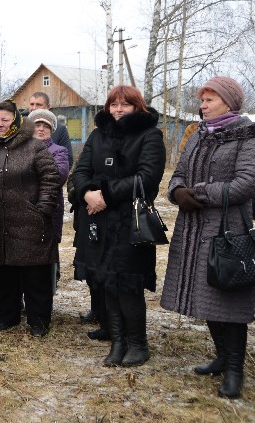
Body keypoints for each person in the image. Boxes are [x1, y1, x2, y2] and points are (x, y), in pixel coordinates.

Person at [160, 76, 255, 399]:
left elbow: (245, 183)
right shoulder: (198, 135)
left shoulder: (247, 136)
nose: (202, 106)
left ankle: (235, 370)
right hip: (194, 228)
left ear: (228, 102)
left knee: (230, 299)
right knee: (207, 295)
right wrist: (177, 192)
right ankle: (220, 356)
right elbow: (178, 175)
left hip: (227, 229)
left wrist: (197, 193)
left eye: (208, 100)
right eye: (202, 100)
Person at [72, 86, 165, 367]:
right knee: (105, 281)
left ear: (138, 106)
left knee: (128, 283)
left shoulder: (150, 135)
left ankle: (138, 344)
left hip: (130, 220)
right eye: (114, 104)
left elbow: (147, 177)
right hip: (97, 220)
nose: (118, 109)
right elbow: (81, 171)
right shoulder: (98, 134)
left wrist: (105, 196)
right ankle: (118, 341)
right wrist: (87, 193)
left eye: (125, 104)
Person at [0, 101, 60, 337]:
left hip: (30, 221)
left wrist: (42, 208)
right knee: (2, 275)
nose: (0, 124)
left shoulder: (34, 146)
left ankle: (39, 321)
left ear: (15, 120)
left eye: (5, 119)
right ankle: (7, 317)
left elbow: (50, 177)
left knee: (35, 276)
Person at [28, 109, 69, 294]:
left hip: (49, 208)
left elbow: (58, 176)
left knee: (47, 253)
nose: (41, 129)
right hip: (22, 209)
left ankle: (46, 297)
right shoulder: (19, 149)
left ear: (52, 130)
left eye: (46, 126)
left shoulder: (59, 151)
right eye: (37, 125)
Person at [29, 92, 74, 168]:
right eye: (32, 104)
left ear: (48, 107)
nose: (34, 108)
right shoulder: (21, 128)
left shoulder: (59, 130)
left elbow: (67, 160)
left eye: (38, 105)